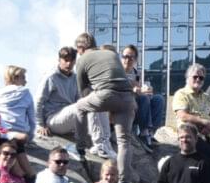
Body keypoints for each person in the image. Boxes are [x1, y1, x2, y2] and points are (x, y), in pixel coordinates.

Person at [49, 34, 141, 173]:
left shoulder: (83, 59)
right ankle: (124, 182)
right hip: (128, 99)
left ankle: (80, 148)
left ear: (82, 47)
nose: (78, 54)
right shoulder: (112, 54)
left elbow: (84, 92)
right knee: (124, 142)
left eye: (78, 50)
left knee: (81, 105)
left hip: (107, 94)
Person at [34, 46, 81, 145]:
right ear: (59, 60)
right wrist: (40, 125)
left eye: (72, 61)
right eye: (66, 60)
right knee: (83, 105)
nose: (69, 64)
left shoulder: (75, 78)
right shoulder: (51, 77)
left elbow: (78, 99)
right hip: (53, 119)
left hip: (68, 118)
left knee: (94, 104)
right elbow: (38, 101)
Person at [165, 62, 210, 145]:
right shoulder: (181, 94)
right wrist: (204, 122)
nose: (198, 79)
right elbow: (182, 115)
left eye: (201, 78)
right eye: (195, 77)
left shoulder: (206, 97)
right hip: (191, 136)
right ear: (187, 78)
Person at [0, 65, 36, 139]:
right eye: (23, 78)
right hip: (20, 132)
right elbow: (32, 120)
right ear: (15, 78)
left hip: (2, 131)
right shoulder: (26, 93)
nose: (25, 81)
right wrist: (31, 136)